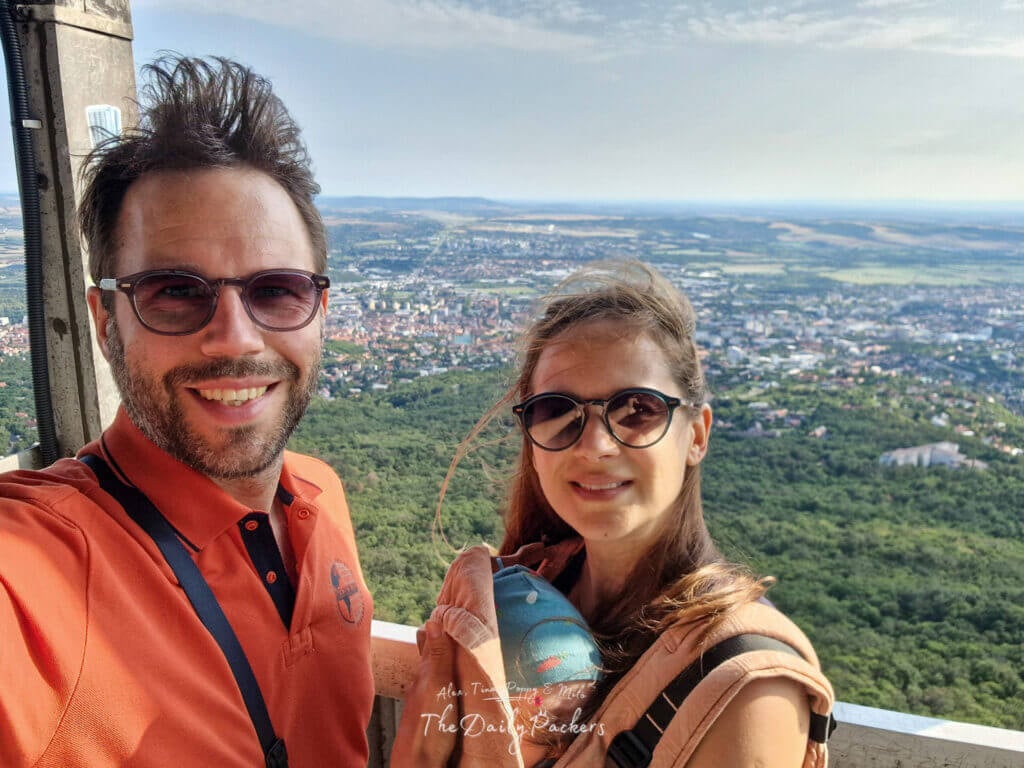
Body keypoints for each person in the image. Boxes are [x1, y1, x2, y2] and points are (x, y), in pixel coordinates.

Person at [0, 55, 373, 767]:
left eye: (277, 290)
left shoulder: (321, 499)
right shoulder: (40, 570)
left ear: (319, 312)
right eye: (174, 290)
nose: (234, 336)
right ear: (106, 320)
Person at [391, 260, 834, 767]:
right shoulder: (518, 594)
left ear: (696, 434)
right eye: (557, 412)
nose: (596, 445)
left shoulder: (745, 687)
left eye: (638, 409)